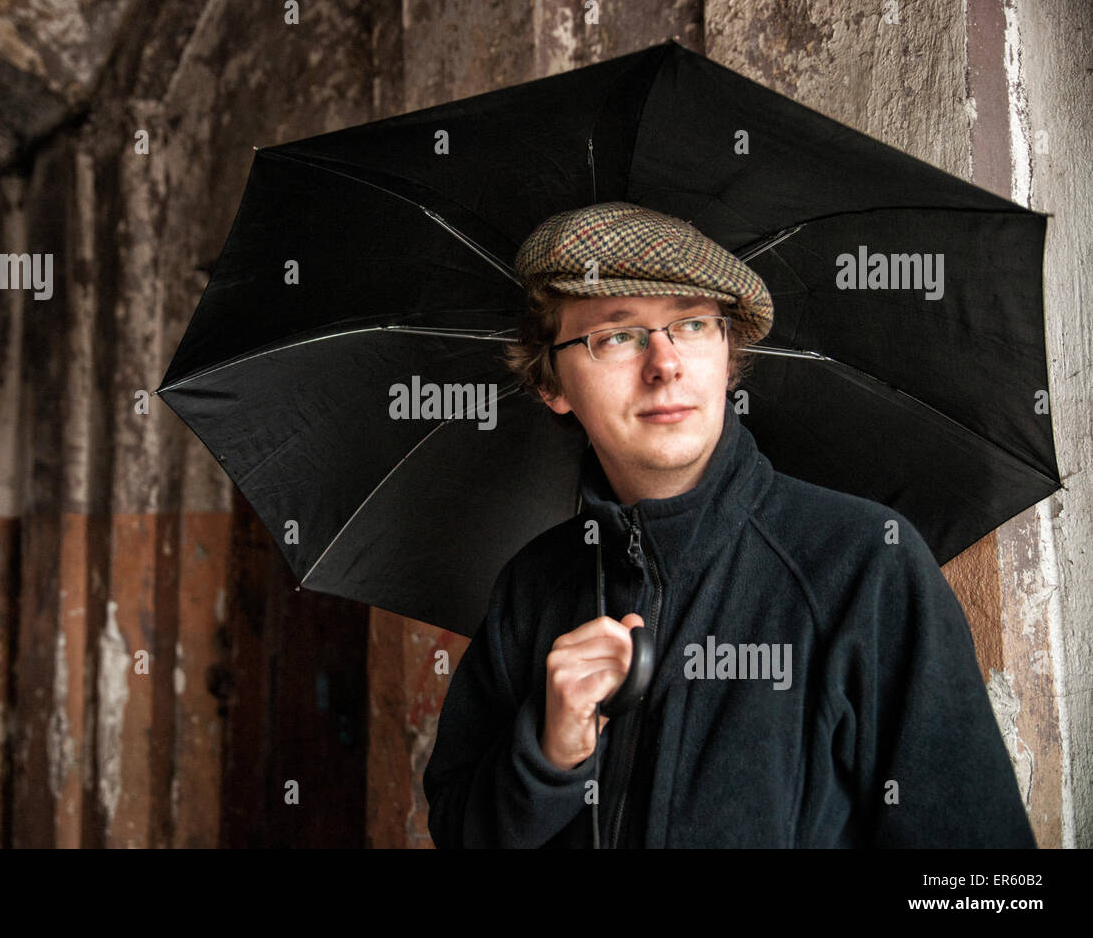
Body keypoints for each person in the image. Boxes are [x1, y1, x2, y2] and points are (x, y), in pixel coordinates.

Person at [422, 201, 1036, 848]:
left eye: (691, 324)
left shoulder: (864, 567)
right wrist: (547, 756)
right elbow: (460, 832)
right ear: (552, 381)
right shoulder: (532, 586)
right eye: (616, 334)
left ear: (727, 354)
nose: (665, 364)